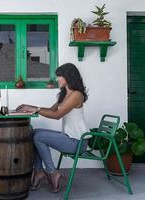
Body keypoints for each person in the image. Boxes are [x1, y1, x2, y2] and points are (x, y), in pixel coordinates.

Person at [16, 63, 89, 193]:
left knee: (38, 137)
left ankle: (52, 172)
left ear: (68, 77)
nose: (57, 79)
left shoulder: (76, 95)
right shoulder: (65, 94)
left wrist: (36, 109)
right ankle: (39, 172)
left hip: (77, 142)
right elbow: (51, 110)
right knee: (34, 133)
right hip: (69, 137)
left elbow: (57, 115)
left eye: (59, 76)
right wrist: (30, 106)